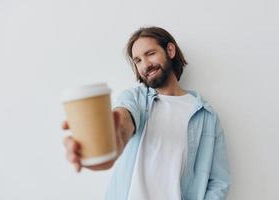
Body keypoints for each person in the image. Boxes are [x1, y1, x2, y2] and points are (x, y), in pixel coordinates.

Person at [62, 26, 231, 200]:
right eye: (138, 60)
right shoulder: (135, 98)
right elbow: (124, 120)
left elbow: (219, 181)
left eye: (150, 54)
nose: (145, 65)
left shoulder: (206, 116)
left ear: (170, 50)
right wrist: (113, 139)